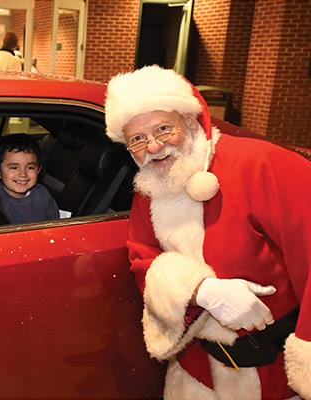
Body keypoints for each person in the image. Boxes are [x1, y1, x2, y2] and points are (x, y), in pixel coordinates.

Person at [104, 65, 311, 399]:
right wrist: (201, 291)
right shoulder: (150, 187)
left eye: (163, 128)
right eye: (137, 139)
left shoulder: (261, 164)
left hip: (276, 379)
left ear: (189, 122)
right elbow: (143, 257)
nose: (153, 146)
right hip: (198, 373)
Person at [0, 134, 59, 224]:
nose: (23, 174)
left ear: (38, 170)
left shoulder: (43, 194)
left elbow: (55, 224)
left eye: (30, 167)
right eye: (14, 168)